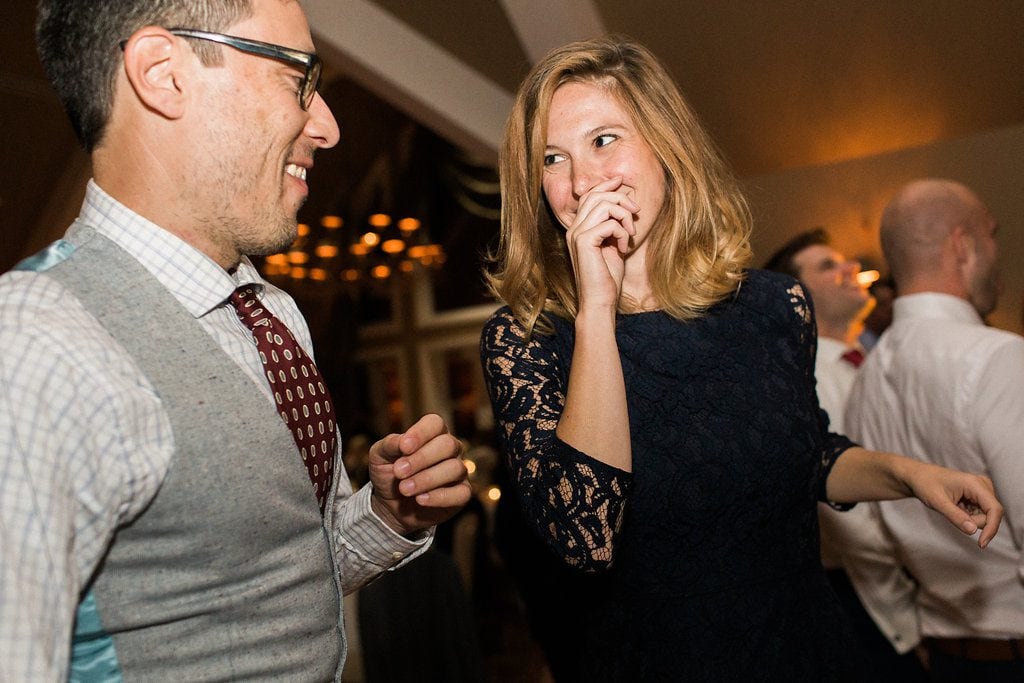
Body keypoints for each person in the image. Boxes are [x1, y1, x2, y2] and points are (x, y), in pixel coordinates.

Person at [479, 37, 1003, 681]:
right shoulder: (526, 340)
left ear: (665, 146)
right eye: (552, 158)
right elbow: (588, 534)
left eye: (605, 140)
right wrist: (596, 309)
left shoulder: (774, 305)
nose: (581, 181)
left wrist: (909, 476)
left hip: (808, 653)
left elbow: (806, 454)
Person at [0, 1, 471, 680]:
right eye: (298, 78)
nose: (329, 125)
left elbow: (285, 573)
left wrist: (390, 514)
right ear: (163, 74)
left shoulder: (271, 312)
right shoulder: (39, 346)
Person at [846, 178, 1024, 681]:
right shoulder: (998, 358)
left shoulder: (866, 379)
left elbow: (867, 540)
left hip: (945, 657)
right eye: (992, 236)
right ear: (963, 246)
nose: (998, 253)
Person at [766, 230, 926, 680]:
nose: (851, 269)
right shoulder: (804, 377)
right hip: (866, 595)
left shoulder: (871, 361)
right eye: (827, 266)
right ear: (794, 294)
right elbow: (850, 517)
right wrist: (920, 589)